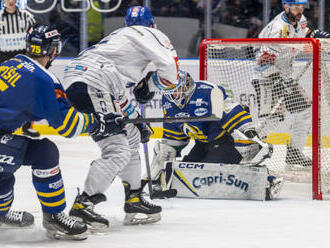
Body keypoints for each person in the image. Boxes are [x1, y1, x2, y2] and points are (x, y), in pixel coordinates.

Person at [0, 24, 124, 240]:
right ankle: (54, 217)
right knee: (44, 152)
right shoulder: (46, 80)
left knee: (7, 164)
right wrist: (99, 122)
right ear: (53, 50)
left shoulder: (11, 63)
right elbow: (68, 126)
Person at [62, 6, 179, 230]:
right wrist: (151, 84)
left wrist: (136, 119)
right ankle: (83, 205)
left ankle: (134, 198)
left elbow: (118, 95)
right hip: (94, 81)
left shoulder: (118, 40)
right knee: (117, 150)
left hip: (85, 80)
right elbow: (171, 73)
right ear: (152, 24)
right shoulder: (152, 34)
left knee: (132, 138)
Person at [149, 70, 284, 200]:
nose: (173, 95)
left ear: (186, 86)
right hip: (203, 144)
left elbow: (231, 110)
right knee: (187, 171)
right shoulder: (168, 102)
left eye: (175, 90)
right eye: (168, 92)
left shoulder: (207, 91)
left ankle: (268, 182)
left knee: (208, 172)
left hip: (226, 141)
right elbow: (174, 134)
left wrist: (248, 131)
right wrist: (166, 155)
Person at [252, 0, 330, 169]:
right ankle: (250, 151)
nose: (300, 10)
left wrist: (317, 37)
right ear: (286, 7)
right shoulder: (278, 28)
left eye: (302, 7)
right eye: (296, 7)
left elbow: (306, 33)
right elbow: (266, 56)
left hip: (285, 77)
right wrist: (302, 48)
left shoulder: (300, 20)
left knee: (305, 111)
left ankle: (294, 153)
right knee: (272, 118)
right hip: (266, 75)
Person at [0, 0, 40, 138]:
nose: (10, 1)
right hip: (2, 58)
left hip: (22, 58)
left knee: (26, 93)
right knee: (4, 94)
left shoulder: (26, 16)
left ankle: (27, 126)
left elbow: (35, 34)